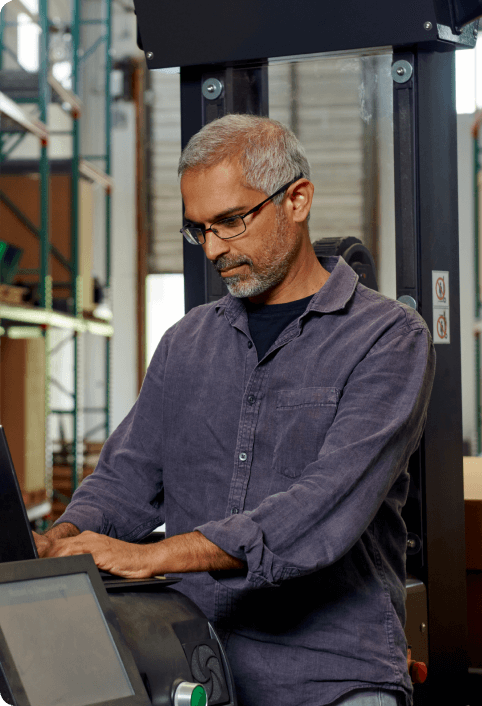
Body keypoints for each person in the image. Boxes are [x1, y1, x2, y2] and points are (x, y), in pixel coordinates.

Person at [34, 114, 436, 706]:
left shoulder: (388, 338)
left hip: (330, 673)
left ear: (296, 199)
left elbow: (319, 509)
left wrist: (152, 555)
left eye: (231, 221)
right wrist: (58, 540)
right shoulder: (184, 343)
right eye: (200, 230)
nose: (216, 249)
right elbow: (126, 481)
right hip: (191, 656)